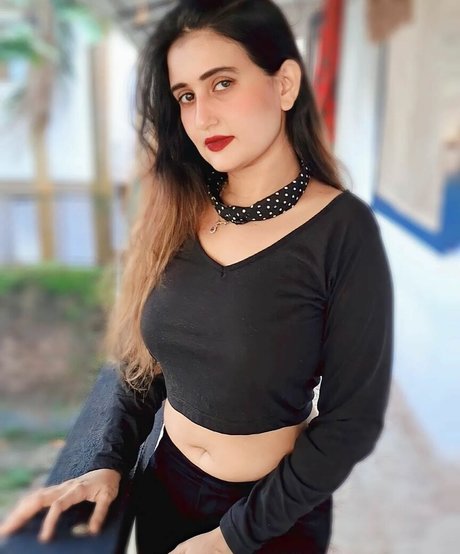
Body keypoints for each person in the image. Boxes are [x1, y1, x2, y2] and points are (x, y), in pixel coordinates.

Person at [0, 0, 394, 552]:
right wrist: (104, 460)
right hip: (165, 486)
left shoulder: (343, 230)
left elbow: (352, 421)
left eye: (222, 83)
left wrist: (230, 538)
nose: (201, 116)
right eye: (186, 95)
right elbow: (141, 364)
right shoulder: (174, 211)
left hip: (272, 518)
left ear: (284, 84)